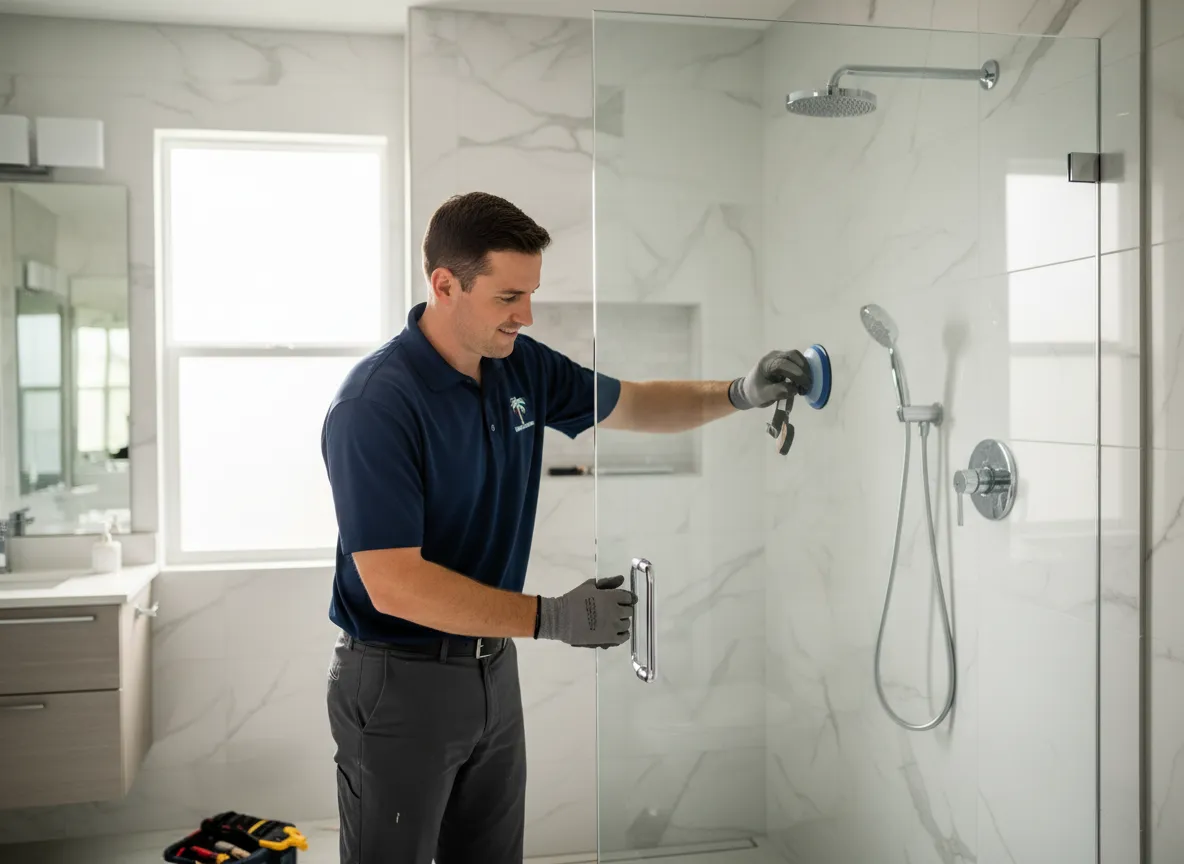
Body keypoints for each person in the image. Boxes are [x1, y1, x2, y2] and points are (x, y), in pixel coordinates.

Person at [321, 191, 811, 864]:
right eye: (508, 297)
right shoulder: (377, 403)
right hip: (398, 680)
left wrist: (739, 393)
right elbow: (394, 584)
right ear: (444, 285)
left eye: (531, 295)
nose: (525, 315)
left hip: (492, 668)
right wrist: (551, 617)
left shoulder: (521, 365)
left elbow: (634, 403)